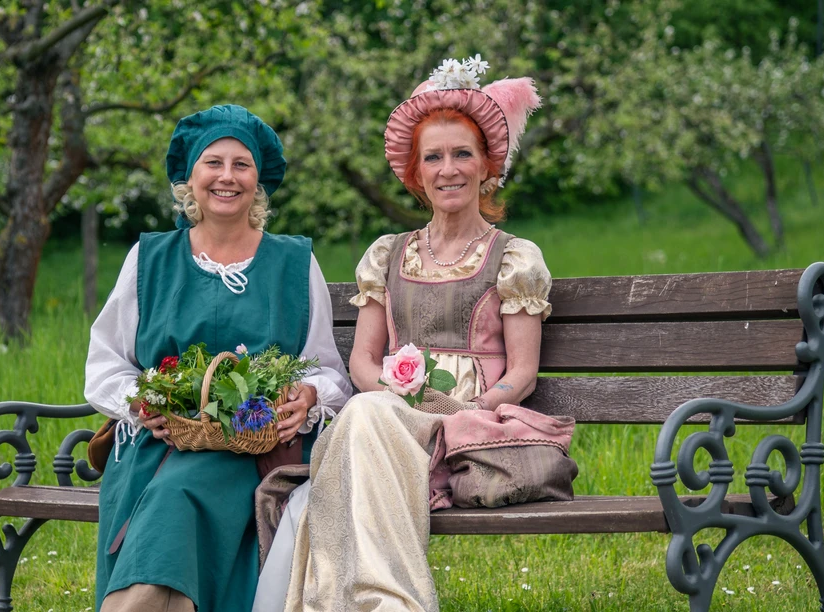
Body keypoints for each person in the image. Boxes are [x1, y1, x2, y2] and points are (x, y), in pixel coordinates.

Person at [256, 58, 571, 611]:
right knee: (367, 413)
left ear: (486, 167)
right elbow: (362, 363)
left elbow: (521, 375)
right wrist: (391, 400)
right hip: (386, 422)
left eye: (461, 154)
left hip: (466, 430)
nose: (448, 169)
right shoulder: (387, 254)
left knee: (360, 421)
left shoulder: (514, 258)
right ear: (417, 173)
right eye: (434, 157)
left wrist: (461, 412)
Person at [84, 104, 353, 612]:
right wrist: (142, 401)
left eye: (241, 164)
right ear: (190, 177)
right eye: (214, 163)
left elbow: (326, 366)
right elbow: (105, 364)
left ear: (258, 181)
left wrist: (309, 396)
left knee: (180, 495)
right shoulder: (150, 259)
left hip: (260, 444)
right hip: (162, 443)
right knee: (171, 490)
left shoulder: (293, 261)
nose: (227, 177)